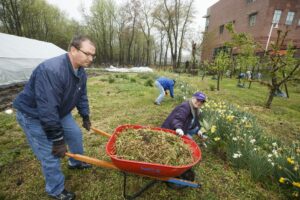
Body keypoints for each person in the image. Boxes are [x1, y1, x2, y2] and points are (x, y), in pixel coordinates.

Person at [13, 35, 96, 200]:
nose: (91, 58)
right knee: (51, 154)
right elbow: (47, 108)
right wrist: (58, 140)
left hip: (59, 111)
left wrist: (85, 115)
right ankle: (55, 190)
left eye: (93, 55)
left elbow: (81, 96)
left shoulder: (81, 72)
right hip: (33, 115)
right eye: (87, 54)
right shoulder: (52, 70)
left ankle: (76, 162)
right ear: (73, 50)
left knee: (75, 134)